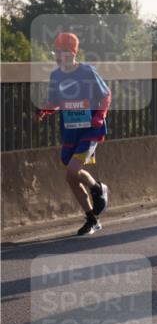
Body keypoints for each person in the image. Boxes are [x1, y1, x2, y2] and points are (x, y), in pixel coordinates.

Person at [34, 32, 111, 236]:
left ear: (72, 52)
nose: (57, 56)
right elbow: (55, 101)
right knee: (71, 177)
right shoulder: (56, 75)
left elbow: (106, 95)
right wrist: (44, 111)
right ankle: (93, 217)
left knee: (72, 171)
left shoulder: (87, 71)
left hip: (90, 130)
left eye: (61, 52)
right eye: (55, 52)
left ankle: (97, 189)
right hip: (70, 131)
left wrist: (99, 115)